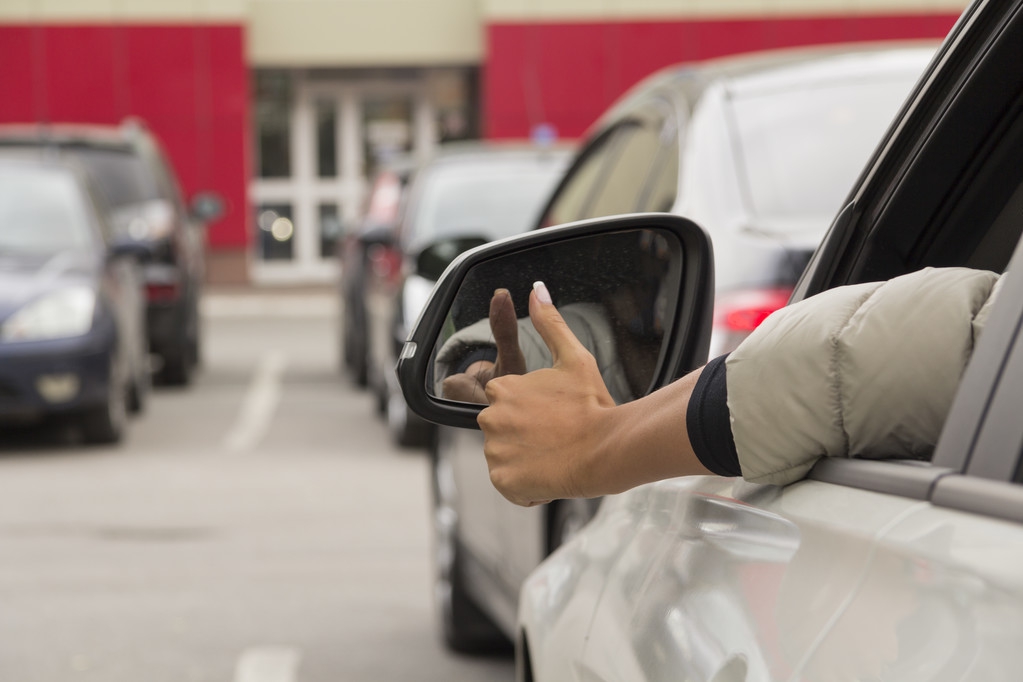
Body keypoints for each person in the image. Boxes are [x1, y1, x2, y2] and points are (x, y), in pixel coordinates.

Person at [451, 268, 1002, 507]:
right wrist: (478, 361)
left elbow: (844, 363)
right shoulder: (605, 324)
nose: (647, 290)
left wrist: (596, 446)